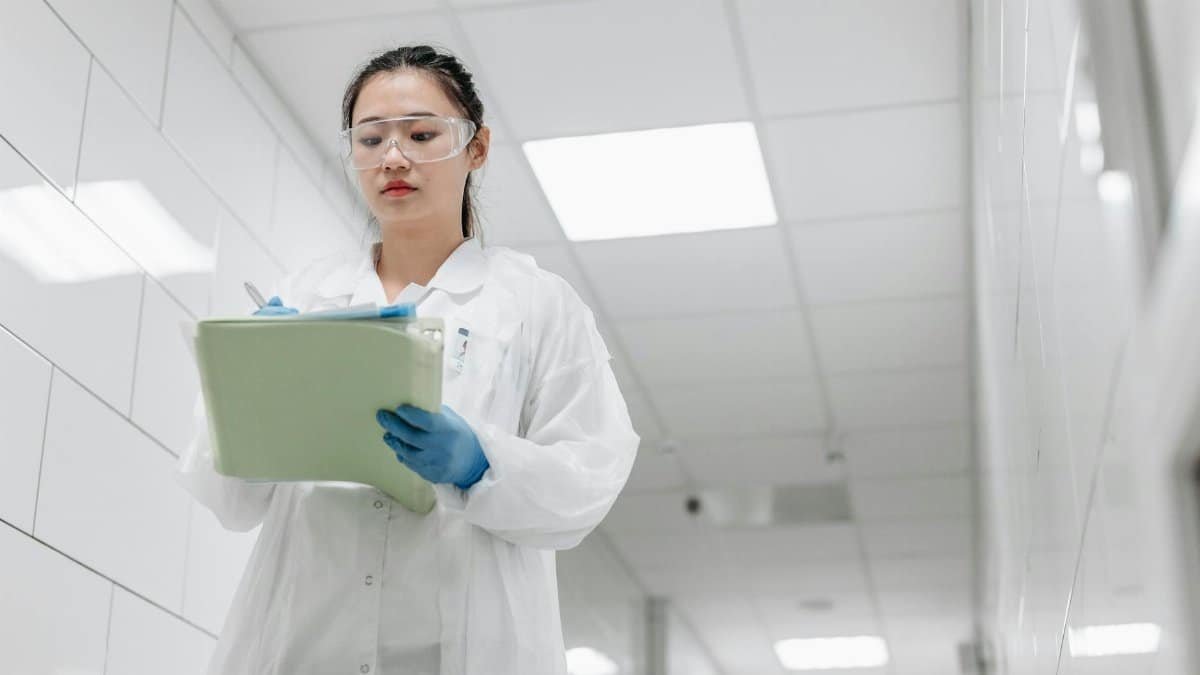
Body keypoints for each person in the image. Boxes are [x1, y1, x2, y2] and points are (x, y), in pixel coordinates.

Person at [175, 44, 640, 675]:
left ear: (475, 148)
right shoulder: (309, 292)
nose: (393, 157)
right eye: (370, 140)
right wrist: (250, 399)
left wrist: (480, 462)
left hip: (469, 649)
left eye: (422, 134)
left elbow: (590, 476)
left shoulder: (536, 303)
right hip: (303, 645)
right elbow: (227, 501)